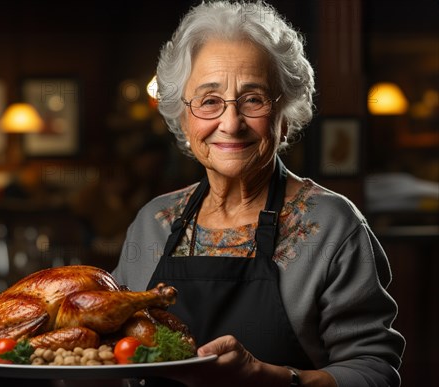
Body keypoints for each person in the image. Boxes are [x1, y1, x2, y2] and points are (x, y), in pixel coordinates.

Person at [111, 1, 405, 386]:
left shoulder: (332, 226)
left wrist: (267, 378)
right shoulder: (152, 223)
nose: (230, 123)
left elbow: (374, 372)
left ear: (285, 115)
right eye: (209, 101)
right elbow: (113, 352)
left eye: (253, 99)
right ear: (183, 119)